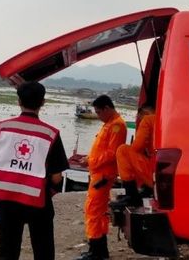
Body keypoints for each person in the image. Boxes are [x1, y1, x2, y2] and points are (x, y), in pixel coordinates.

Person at [0, 81, 69, 260]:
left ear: (19, 101)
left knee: (8, 250)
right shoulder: (51, 134)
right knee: (43, 249)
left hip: (7, 200)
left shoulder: (2, 128)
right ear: (43, 102)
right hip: (38, 200)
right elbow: (56, 178)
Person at [76, 95, 126, 260]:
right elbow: (102, 150)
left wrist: (90, 161)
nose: (97, 116)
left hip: (103, 175)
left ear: (107, 108)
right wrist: (89, 159)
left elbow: (112, 153)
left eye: (98, 112)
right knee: (98, 211)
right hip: (98, 173)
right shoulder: (109, 124)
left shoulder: (117, 126)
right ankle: (98, 250)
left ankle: (96, 251)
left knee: (93, 210)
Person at [111, 105, 156, 207]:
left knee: (123, 150)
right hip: (169, 175)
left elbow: (137, 147)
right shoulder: (170, 121)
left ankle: (131, 195)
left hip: (155, 175)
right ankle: (145, 190)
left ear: (143, 114)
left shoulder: (148, 120)